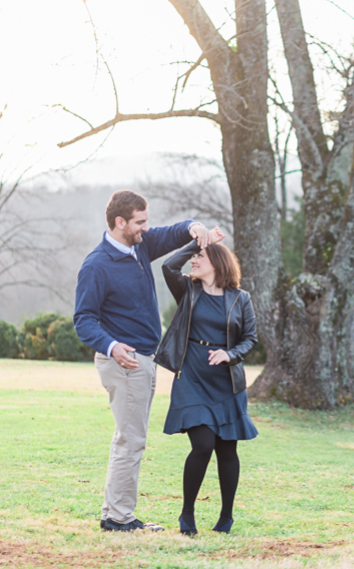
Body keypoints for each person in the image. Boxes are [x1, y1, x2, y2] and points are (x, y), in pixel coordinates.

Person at [74, 190, 214, 533]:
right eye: (140, 222)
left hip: (144, 359)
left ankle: (114, 513)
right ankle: (120, 519)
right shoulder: (96, 265)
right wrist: (111, 346)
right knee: (132, 439)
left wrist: (194, 227)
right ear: (119, 223)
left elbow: (171, 232)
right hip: (125, 362)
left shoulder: (140, 246)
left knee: (127, 437)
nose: (146, 228)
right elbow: (84, 319)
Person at [155, 230, 258, 536]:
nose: (194, 262)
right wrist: (195, 244)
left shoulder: (241, 299)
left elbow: (250, 339)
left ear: (218, 262)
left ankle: (226, 517)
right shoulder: (188, 289)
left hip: (226, 382)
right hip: (192, 375)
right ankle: (187, 515)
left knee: (227, 451)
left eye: (201, 257)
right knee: (202, 444)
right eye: (196, 256)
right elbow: (168, 266)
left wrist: (230, 354)